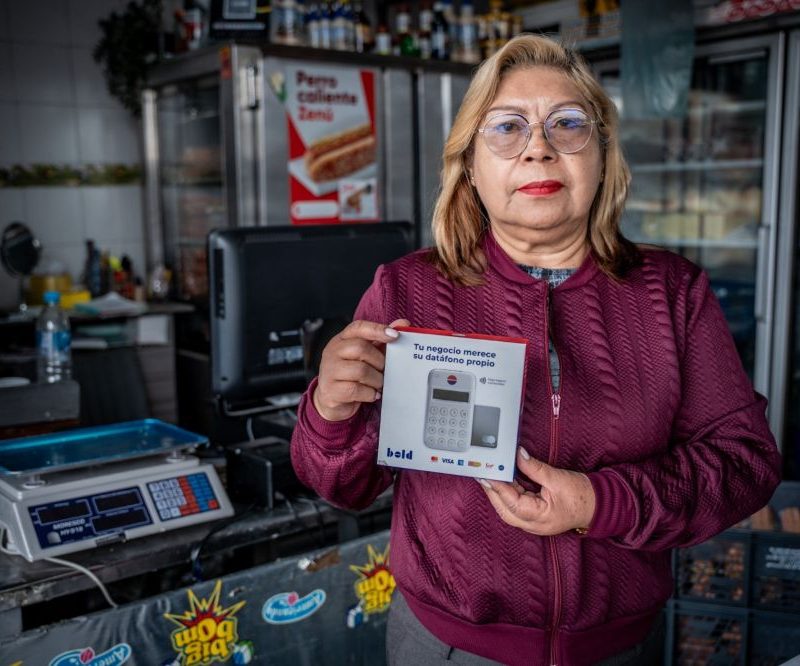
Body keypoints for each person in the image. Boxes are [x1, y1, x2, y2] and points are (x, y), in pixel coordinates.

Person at [290, 34, 782, 666]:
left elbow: (745, 463)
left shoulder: (673, 292)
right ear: (469, 163)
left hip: (620, 649)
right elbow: (343, 487)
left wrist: (599, 503)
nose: (540, 148)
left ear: (603, 155)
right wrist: (331, 413)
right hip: (447, 649)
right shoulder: (407, 289)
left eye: (569, 124)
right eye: (507, 128)